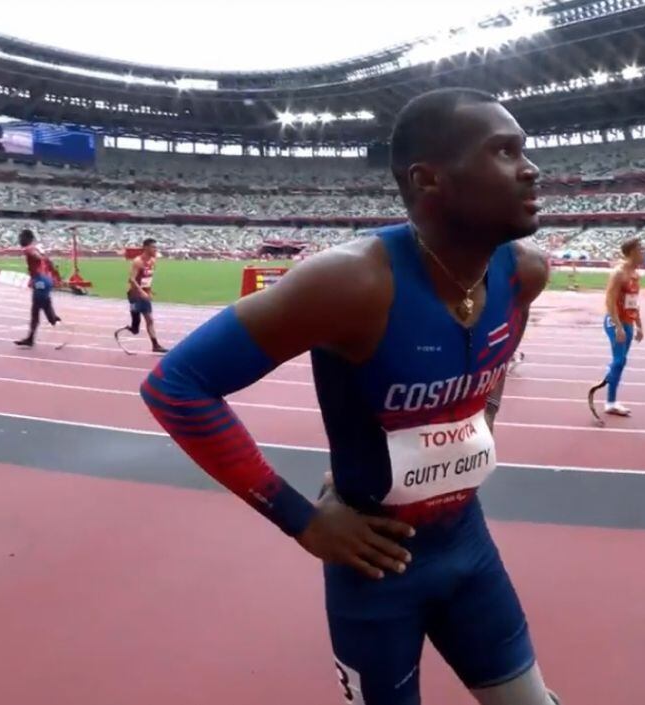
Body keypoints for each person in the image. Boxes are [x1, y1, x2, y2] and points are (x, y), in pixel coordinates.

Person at [140, 88, 560, 704]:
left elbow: (490, 364)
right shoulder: (351, 282)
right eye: (504, 152)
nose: (530, 168)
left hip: (468, 544)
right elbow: (176, 385)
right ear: (429, 180)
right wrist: (302, 521)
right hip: (374, 565)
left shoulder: (525, 272)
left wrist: (479, 417)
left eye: (524, 150)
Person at [595, 238, 645, 417]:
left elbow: (633, 303)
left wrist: (639, 325)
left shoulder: (635, 275)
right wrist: (618, 326)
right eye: (642, 250)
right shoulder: (619, 274)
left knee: (621, 361)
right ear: (632, 252)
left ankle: (611, 378)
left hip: (628, 322)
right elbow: (609, 300)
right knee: (619, 361)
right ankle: (610, 403)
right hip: (615, 322)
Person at [115, 238, 167, 354]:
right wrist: (141, 291)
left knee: (150, 319)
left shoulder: (153, 261)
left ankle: (155, 345)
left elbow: (147, 278)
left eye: (156, 247)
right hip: (134, 295)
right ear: (146, 248)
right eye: (153, 247)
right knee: (136, 328)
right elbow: (132, 279)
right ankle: (131, 328)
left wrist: (149, 290)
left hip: (144, 295)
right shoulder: (138, 261)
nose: (155, 249)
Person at [14, 228, 62, 348]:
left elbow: (36, 256)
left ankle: (31, 338)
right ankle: (53, 318)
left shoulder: (29, 249)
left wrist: (38, 258)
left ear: (27, 238)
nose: (19, 240)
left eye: (21, 238)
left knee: (35, 310)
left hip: (41, 281)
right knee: (44, 303)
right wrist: (53, 274)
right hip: (45, 280)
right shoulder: (36, 248)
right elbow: (47, 261)